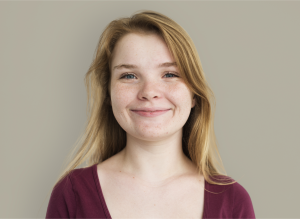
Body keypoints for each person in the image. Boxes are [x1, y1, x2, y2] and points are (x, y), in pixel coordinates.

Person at [45, 10, 255, 219]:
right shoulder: (72, 194)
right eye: (129, 75)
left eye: (170, 74)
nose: (149, 92)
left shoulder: (232, 200)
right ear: (108, 93)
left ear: (194, 94)